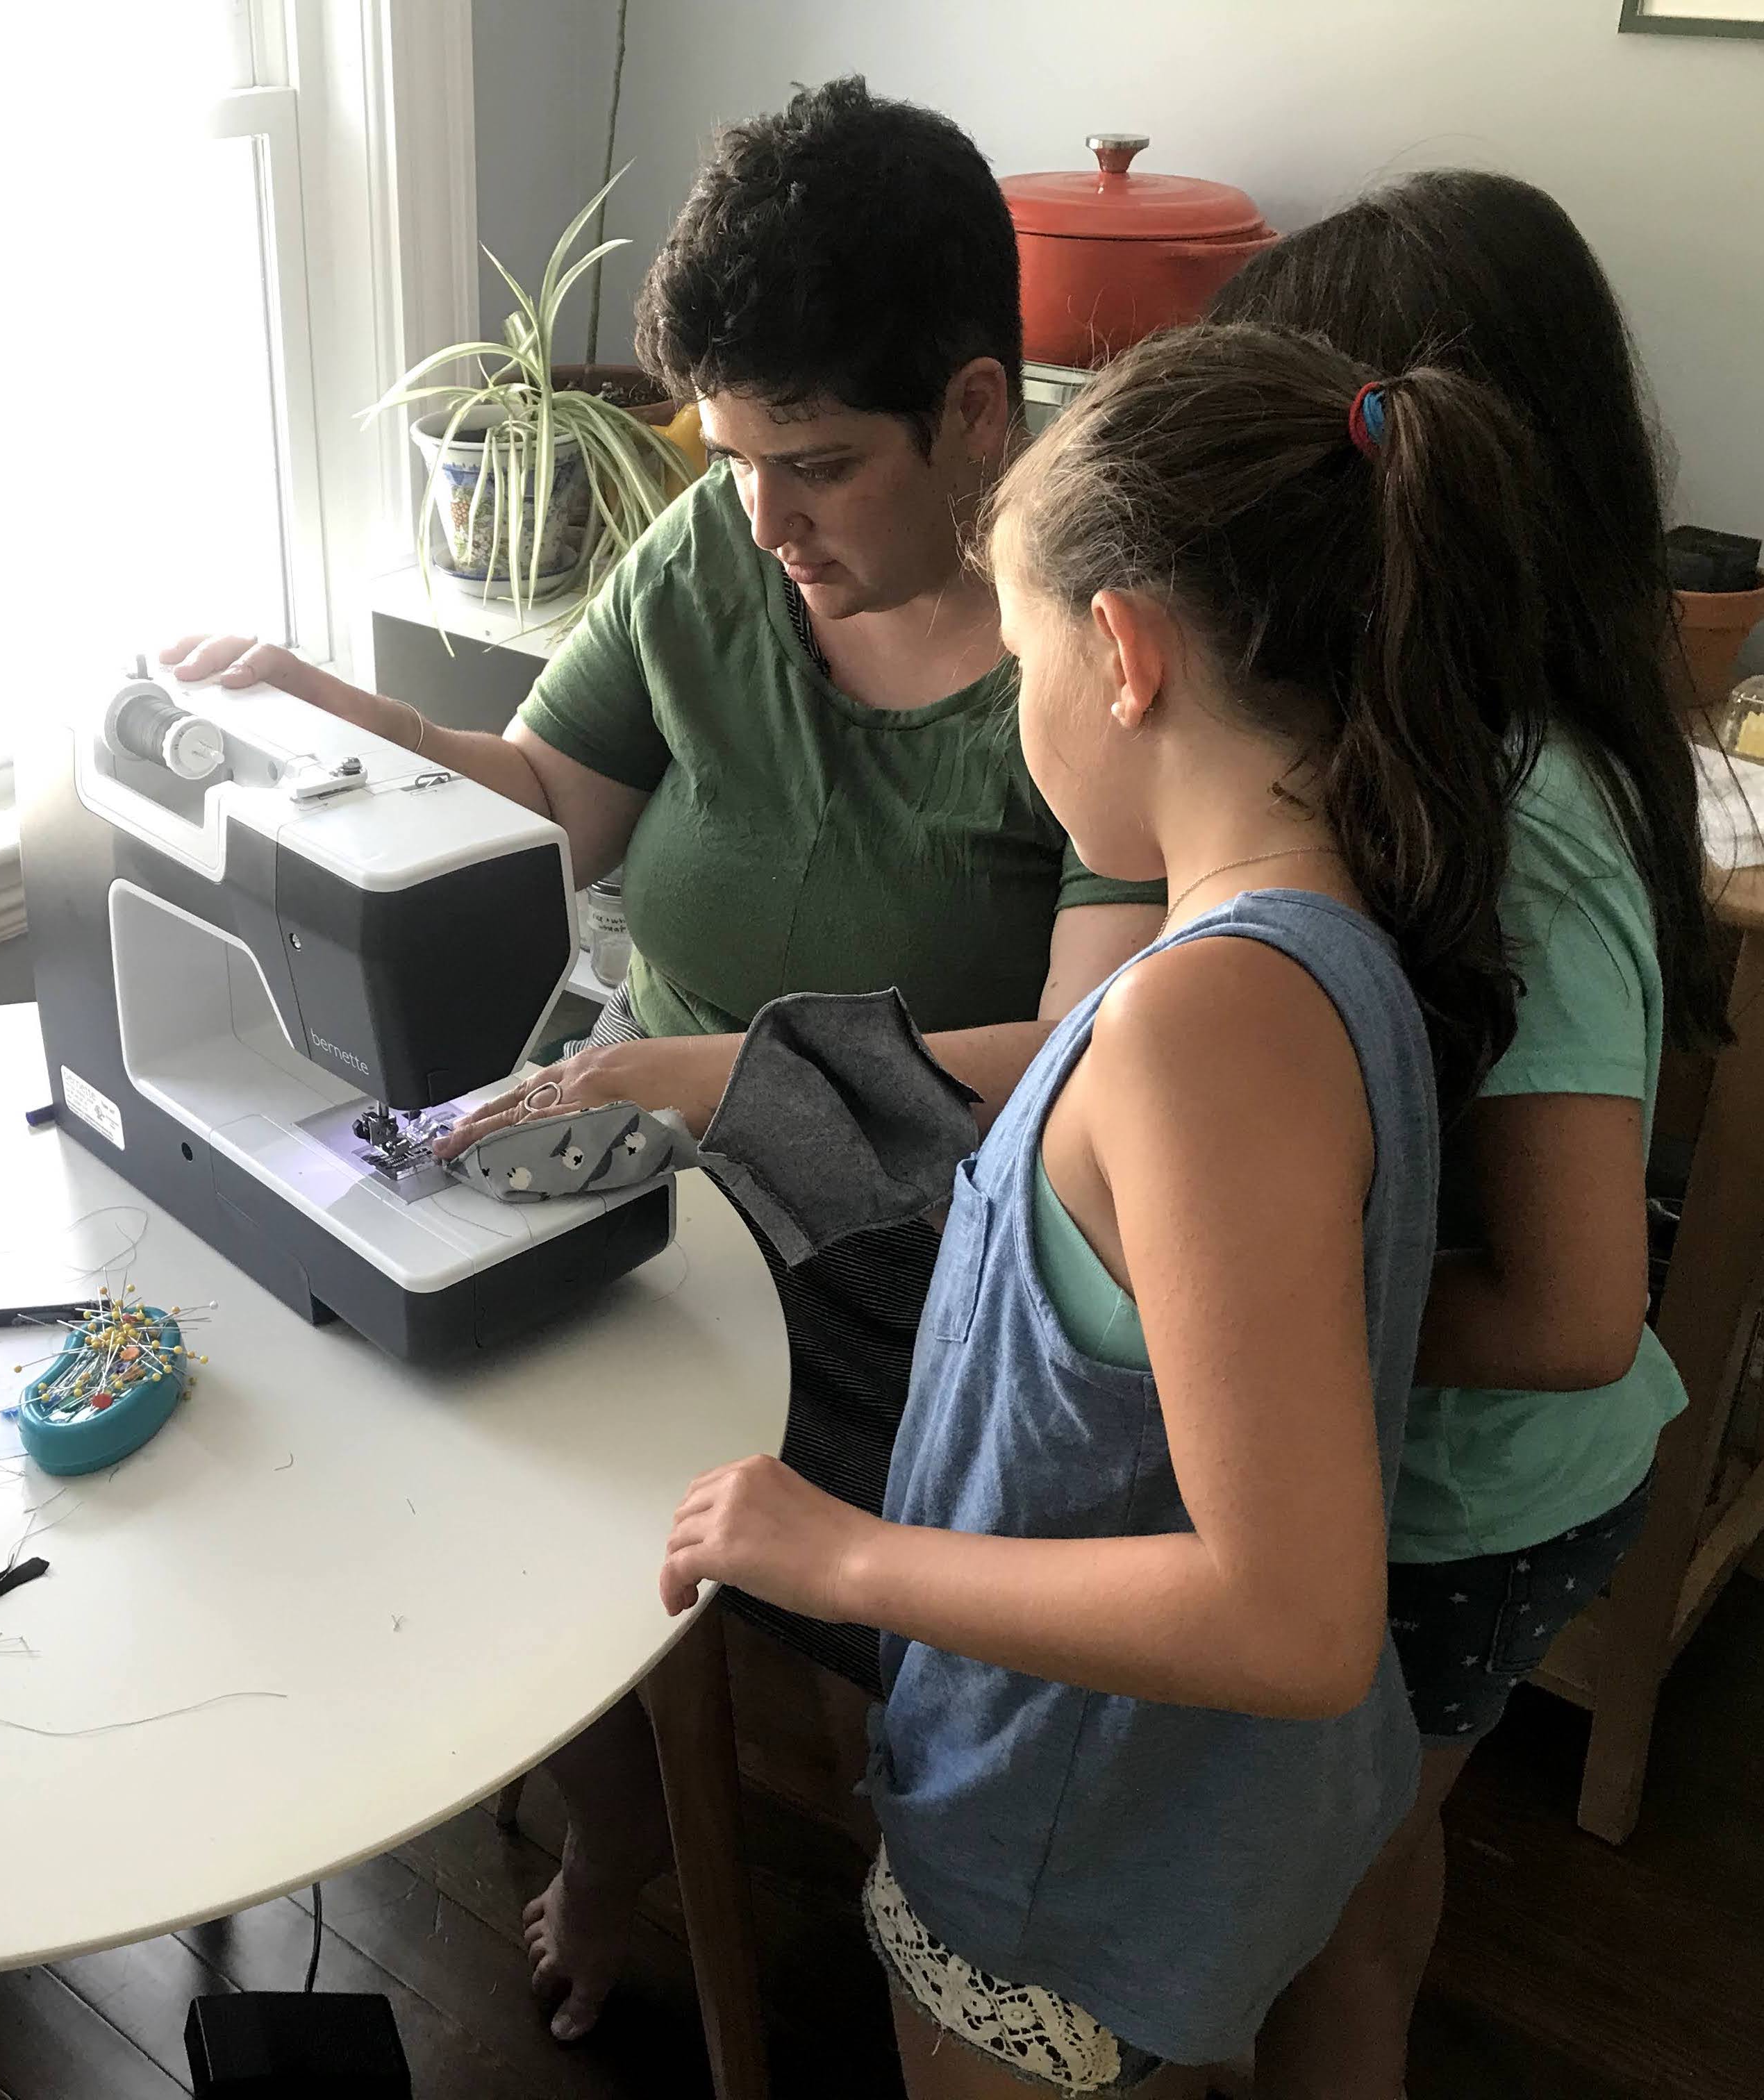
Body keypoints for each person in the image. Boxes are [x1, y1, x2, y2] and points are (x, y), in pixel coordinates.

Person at [165, 78, 1165, 2040]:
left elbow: (1073, 1068)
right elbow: (548, 799)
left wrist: (721, 1080)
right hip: (657, 1160)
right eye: (729, 458)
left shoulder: (1101, 634)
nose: (760, 515)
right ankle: (618, 1826)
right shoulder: (723, 546)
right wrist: (328, 712)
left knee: (800, 1556)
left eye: (812, 464)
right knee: (442, 1413)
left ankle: (906, 1856)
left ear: (975, 411)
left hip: (921, 1236)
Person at [661, 317, 1551, 2097]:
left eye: (1016, 651)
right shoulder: (1324, 936)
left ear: (1123, 655)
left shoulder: (1197, 1024)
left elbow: (1287, 1617)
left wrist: (826, 1552)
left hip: (1073, 1838)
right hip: (1170, 1811)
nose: (1015, 699)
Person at [1209, 171, 1728, 2099]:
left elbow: (1580, 1310)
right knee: (1363, 1853)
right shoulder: (1421, 748)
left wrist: (1275, 1326)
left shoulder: (1540, 826)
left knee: (1325, 1889)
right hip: (1418, 1464)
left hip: (1476, 1489)